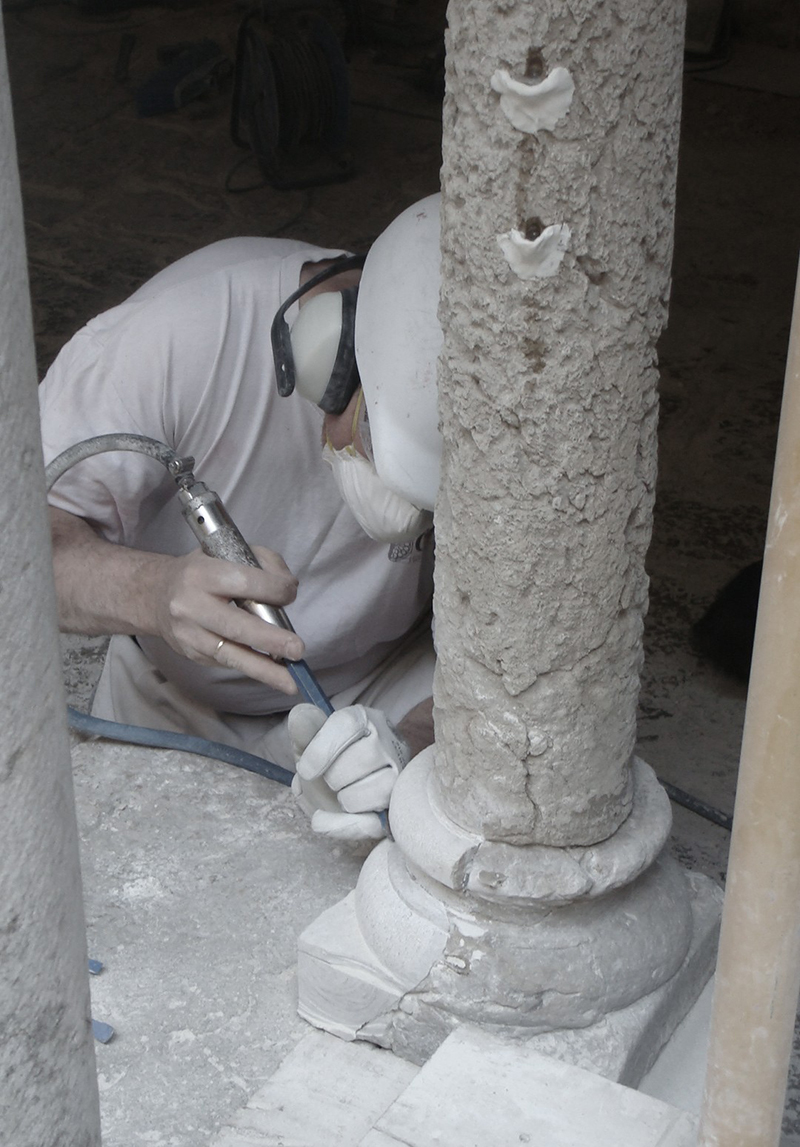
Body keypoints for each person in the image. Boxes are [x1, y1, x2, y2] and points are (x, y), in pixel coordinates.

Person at [40, 195, 443, 842]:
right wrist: (155, 592)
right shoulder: (182, 337)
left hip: (381, 689)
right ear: (328, 356)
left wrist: (413, 746)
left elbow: (522, 656)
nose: (400, 507)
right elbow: (25, 550)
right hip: (173, 696)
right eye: (375, 441)